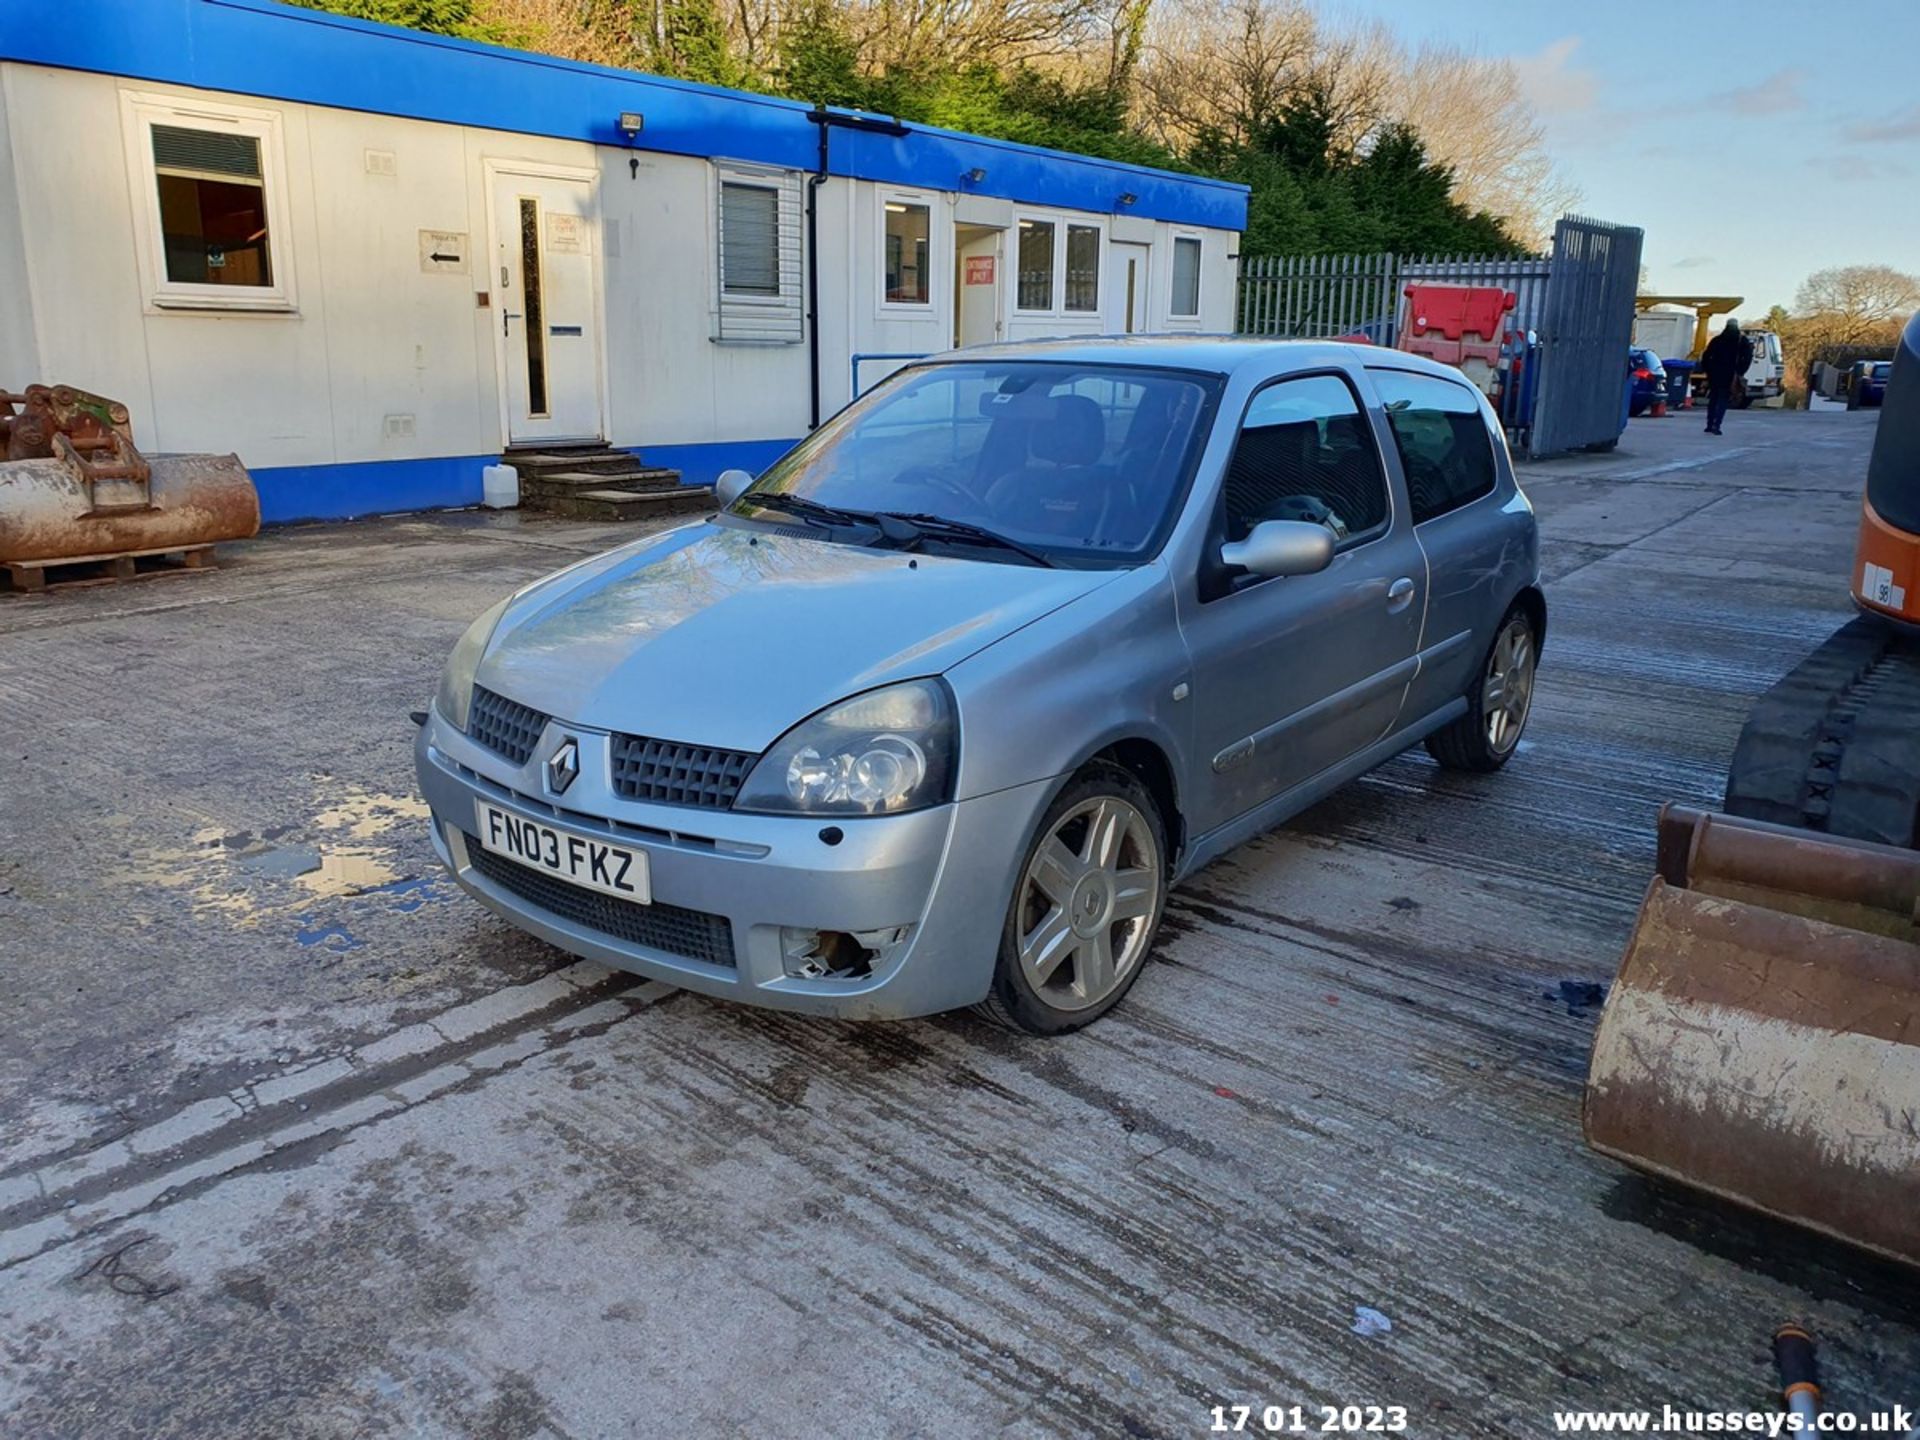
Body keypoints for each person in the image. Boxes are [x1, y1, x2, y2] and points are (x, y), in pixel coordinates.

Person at [1700, 319, 1754, 435]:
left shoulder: (1717, 340)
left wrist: (1708, 371)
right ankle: (1717, 425)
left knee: (1713, 399)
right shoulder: (1741, 341)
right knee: (1723, 400)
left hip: (1715, 374)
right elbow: (1748, 358)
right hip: (1730, 375)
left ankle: (1709, 424)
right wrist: (1740, 371)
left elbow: (1706, 356)